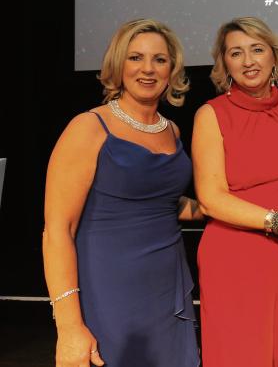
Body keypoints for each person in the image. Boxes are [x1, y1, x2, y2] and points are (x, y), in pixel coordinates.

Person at [43, 18, 201, 367]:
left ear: (172, 67)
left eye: (159, 59)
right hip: (110, 289)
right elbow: (57, 231)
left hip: (167, 288)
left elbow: (165, 203)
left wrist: (224, 202)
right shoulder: (88, 127)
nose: (148, 69)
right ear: (117, 63)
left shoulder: (172, 131)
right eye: (135, 58)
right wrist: (68, 327)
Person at [191, 16, 278, 367]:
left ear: (273, 56)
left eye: (257, 49)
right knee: (240, 355)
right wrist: (277, 221)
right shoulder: (210, 115)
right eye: (236, 52)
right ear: (225, 63)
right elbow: (210, 197)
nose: (248, 61)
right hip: (235, 254)